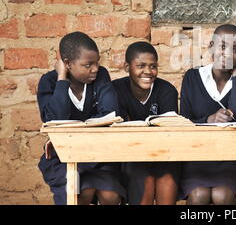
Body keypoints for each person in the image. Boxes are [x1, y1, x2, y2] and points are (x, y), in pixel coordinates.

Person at [37, 31, 125, 205]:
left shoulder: (101, 76)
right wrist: (62, 79)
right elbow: (54, 119)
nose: (95, 69)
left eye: (97, 62)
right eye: (88, 64)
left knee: (111, 196)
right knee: (79, 194)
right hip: (63, 156)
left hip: (97, 156)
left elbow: (110, 113)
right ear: (67, 64)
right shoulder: (49, 82)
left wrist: (73, 128)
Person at [179, 24, 236, 205]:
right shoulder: (192, 78)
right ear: (210, 47)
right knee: (198, 195)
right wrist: (209, 120)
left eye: (235, 48)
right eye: (222, 46)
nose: (228, 53)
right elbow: (184, 122)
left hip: (230, 159)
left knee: (222, 196)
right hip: (198, 158)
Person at [112, 41, 180, 205]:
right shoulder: (115, 89)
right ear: (127, 67)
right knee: (144, 180)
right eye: (141, 65)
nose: (148, 72)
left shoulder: (166, 90)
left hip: (164, 155)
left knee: (168, 180)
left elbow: (169, 133)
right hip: (132, 156)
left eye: (153, 66)